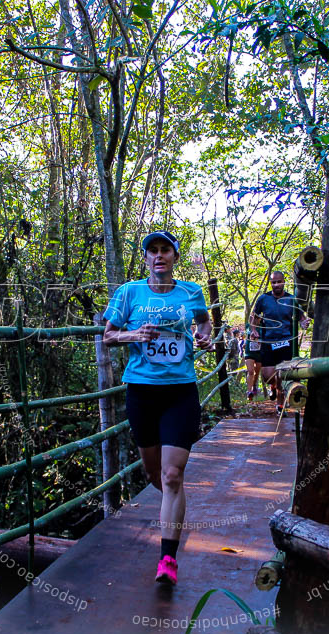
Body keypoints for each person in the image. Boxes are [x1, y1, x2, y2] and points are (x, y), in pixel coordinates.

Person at [102, 230, 214, 586]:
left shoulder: (191, 292)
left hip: (180, 392)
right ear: (146, 259)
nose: (159, 256)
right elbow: (108, 335)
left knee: (171, 476)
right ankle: (175, 508)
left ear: (175, 257)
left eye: (166, 250)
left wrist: (204, 335)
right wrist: (135, 335)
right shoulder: (129, 293)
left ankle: (167, 559)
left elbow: (204, 321)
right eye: (153, 251)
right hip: (142, 393)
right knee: (155, 476)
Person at [249, 271, 308, 413]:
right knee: (267, 376)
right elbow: (254, 317)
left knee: (283, 374)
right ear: (271, 283)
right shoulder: (264, 299)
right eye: (273, 282)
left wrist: (304, 323)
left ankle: (280, 406)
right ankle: (273, 386)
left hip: (285, 342)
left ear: (283, 281)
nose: (276, 285)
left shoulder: (291, 299)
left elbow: (301, 317)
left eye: (279, 282)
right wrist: (254, 330)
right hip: (268, 341)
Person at [243, 326, 263, 401]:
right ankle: (249, 391)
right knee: (250, 371)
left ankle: (254, 385)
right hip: (249, 352)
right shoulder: (248, 325)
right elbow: (247, 335)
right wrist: (245, 343)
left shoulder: (263, 326)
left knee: (256, 373)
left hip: (259, 353)